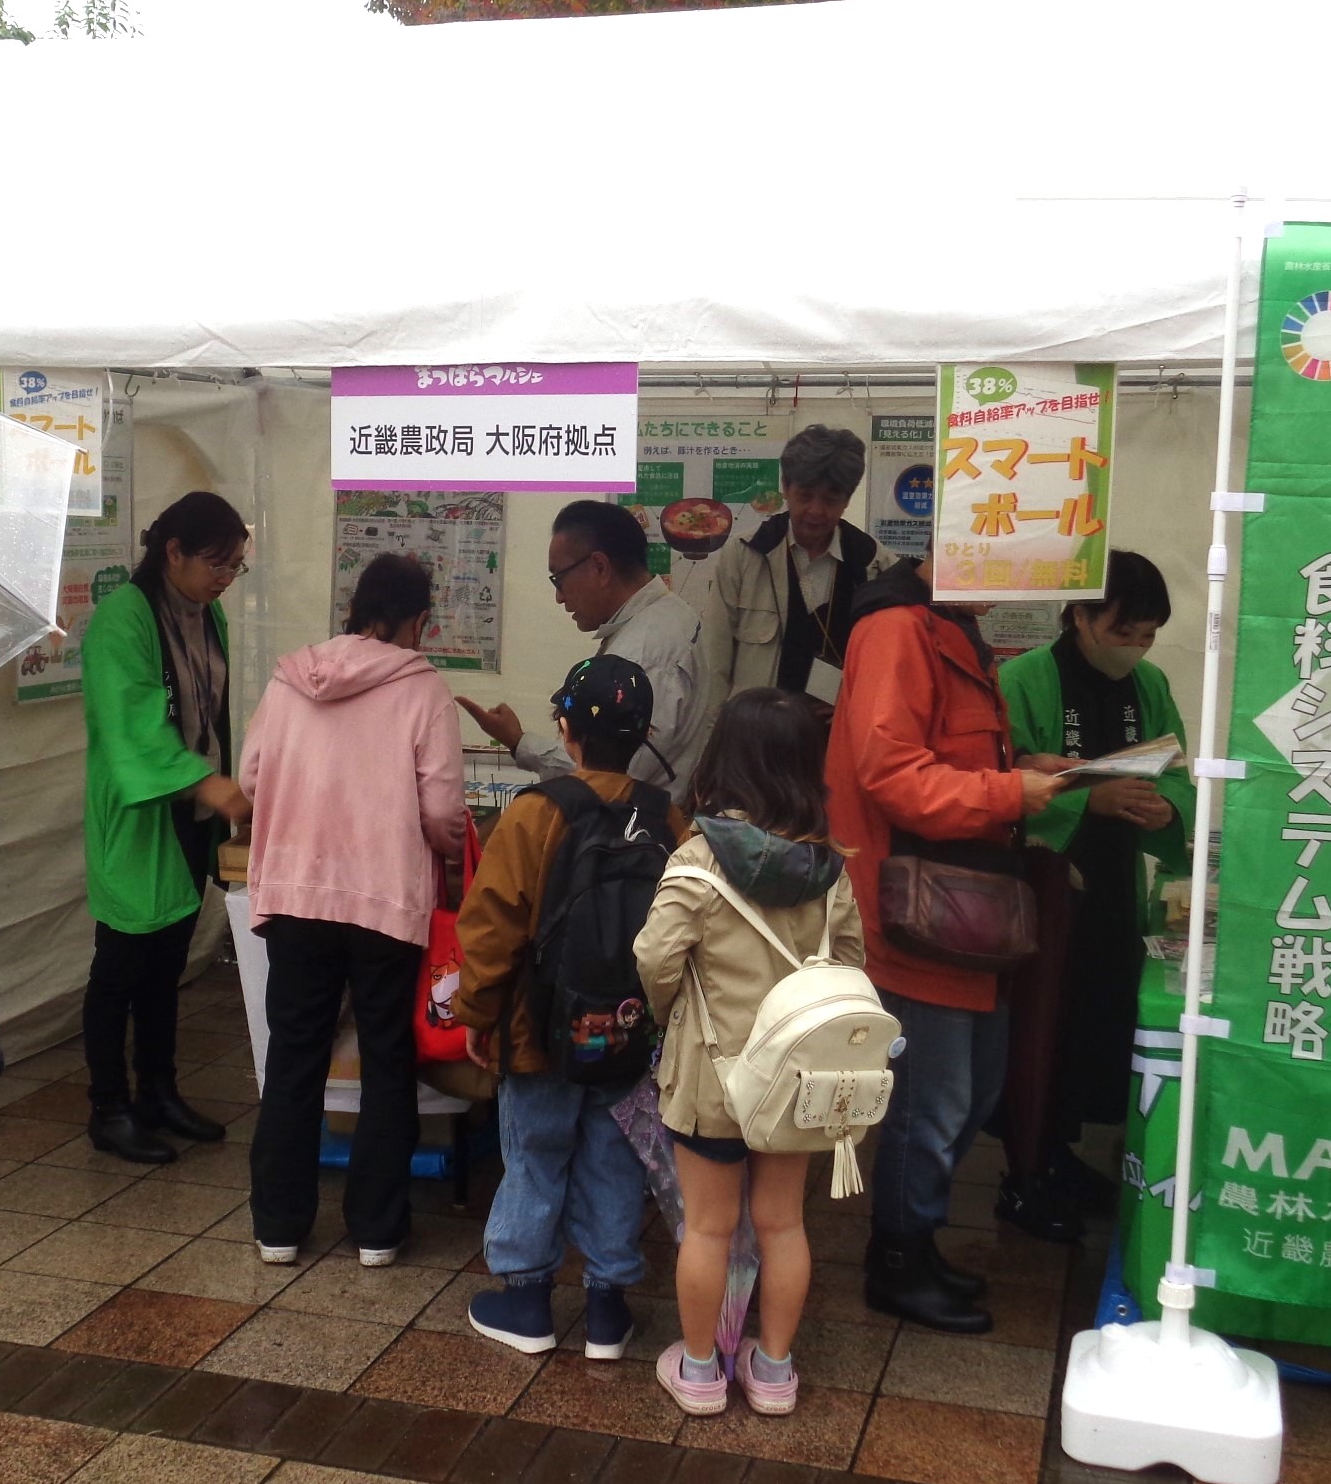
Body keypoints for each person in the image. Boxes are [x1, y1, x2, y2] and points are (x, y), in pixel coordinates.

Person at [826, 556, 1069, 1333]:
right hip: (917, 905)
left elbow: (940, 757)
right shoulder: (899, 628)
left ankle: (916, 1241)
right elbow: (892, 773)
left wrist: (1024, 770)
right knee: (932, 1102)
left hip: (965, 906)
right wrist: (1009, 791)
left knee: (972, 1090)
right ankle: (898, 1258)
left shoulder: (951, 626)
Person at [636, 687, 866, 1417]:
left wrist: (671, 1015)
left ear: (724, 758)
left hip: (712, 1077)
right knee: (783, 1222)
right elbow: (851, 965)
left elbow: (654, 958)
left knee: (708, 1227)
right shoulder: (830, 869)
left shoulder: (698, 861)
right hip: (796, 1081)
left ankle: (700, 1370)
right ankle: (772, 1372)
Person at [457, 656, 688, 1359]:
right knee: (616, 1158)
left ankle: (527, 1299)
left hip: (539, 1030)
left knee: (535, 1152)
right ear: (645, 734)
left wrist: (477, 1013)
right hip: (629, 1030)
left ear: (565, 729)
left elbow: (492, 928)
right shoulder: (667, 817)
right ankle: (608, 1310)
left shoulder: (536, 812)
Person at [241, 553, 468, 1266]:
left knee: (294, 1055)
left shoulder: (288, 679)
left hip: (296, 893)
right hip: (386, 898)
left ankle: (279, 1227)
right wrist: (452, 846)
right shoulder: (423, 688)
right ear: (418, 620)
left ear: (356, 607)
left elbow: (250, 776)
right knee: (386, 1056)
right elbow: (443, 811)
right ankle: (377, 1229)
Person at [994, 551, 1191, 1236]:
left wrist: (1166, 807)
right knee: (1039, 1025)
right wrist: (1090, 800)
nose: (1133, 648)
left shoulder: (1151, 683)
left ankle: (1062, 1154)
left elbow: (1176, 769)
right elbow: (1003, 779)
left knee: (1094, 1018)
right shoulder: (1023, 678)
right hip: (1043, 880)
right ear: (1079, 616)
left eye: (1148, 636)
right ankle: (1024, 1170)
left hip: (1114, 879)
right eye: (1121, 631)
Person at [79, 491, 252, 1165]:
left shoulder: (209, 614)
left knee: (166, 964)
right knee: (120, 966)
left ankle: (158, 1090)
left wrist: (215, 784)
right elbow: (131, 723)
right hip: (140, 810)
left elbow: (211, 710)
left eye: (236, 566)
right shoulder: (123, 617)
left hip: (188, 811)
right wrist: (207, 782)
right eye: (217, 563)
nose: (225, 578)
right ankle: (108, 1107)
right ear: (173, 551)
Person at [458, 500, 710, 799]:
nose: (559, 597)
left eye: (559, 579)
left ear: (600, 567)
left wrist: (519, 742)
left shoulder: (644, 655)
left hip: (632, 823)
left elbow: (608, 778)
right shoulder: (671, 614)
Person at [694, 425, 884, 711]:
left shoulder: (873, 562)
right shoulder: (744, 554)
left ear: (847, 499)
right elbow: (714, 661)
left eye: (830, 500)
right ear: (785, 486)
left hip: (839, 731)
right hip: (758, 728)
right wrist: (715, 734)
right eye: (805, 496)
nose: (816, 511)